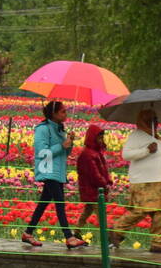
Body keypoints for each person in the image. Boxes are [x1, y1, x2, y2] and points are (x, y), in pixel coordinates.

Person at [111, 109, 161, 253]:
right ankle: (116, 231)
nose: (155, 122)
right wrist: (146, 150)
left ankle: (158, 242)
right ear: (143, 120)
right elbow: (126, 155)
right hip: (145, 181)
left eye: (156, 119)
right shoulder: (137, 135)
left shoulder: (157, 137)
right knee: (141, 210)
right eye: (151, 120)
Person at [20, 100, 83, 247]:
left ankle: (28, 233)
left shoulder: (60, 130)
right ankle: (69, 237)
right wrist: (61, 145)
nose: (66, 114)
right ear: (53, 113)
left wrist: (69, 142)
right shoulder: (43, 129)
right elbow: (41, 152)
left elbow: (64, 153)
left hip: (58, 171)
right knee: (60, 203)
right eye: (63, 111)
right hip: (48, 170)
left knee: (43, 203)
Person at [74, 124, 114, 238]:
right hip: (93, 189)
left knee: (87, 211)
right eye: (99, 138)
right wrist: (104, 184)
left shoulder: (96, 152)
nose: (101, 140)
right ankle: (108, 237)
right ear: (92, 138)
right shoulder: (88, 154)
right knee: (101, 214)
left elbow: (104, 170)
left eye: (102, 138)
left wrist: (108, 181)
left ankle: (76, 232)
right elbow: (94, 174)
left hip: (94, 189)